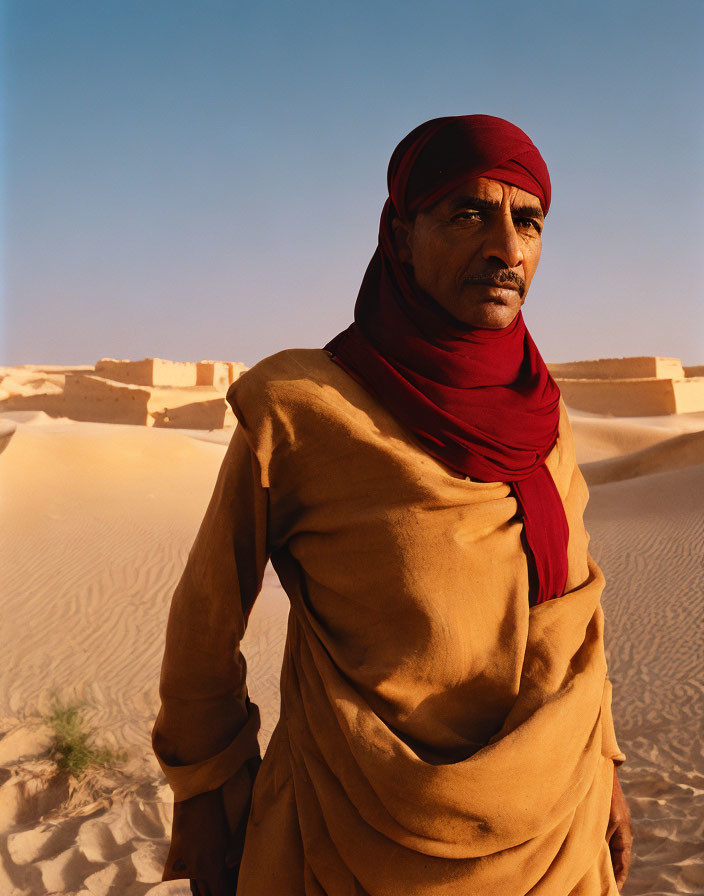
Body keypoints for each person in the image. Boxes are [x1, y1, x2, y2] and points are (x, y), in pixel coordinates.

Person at [152, 114, 632, 895]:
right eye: (468, 213)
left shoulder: (544, 416)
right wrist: (204, 795)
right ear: (401, 237)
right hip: (350, 838)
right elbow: (206, 621)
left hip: (559, 835)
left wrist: (604, 765)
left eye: (529, 221)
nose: (507, 249)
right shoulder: (303, 406)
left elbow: (574, 620)